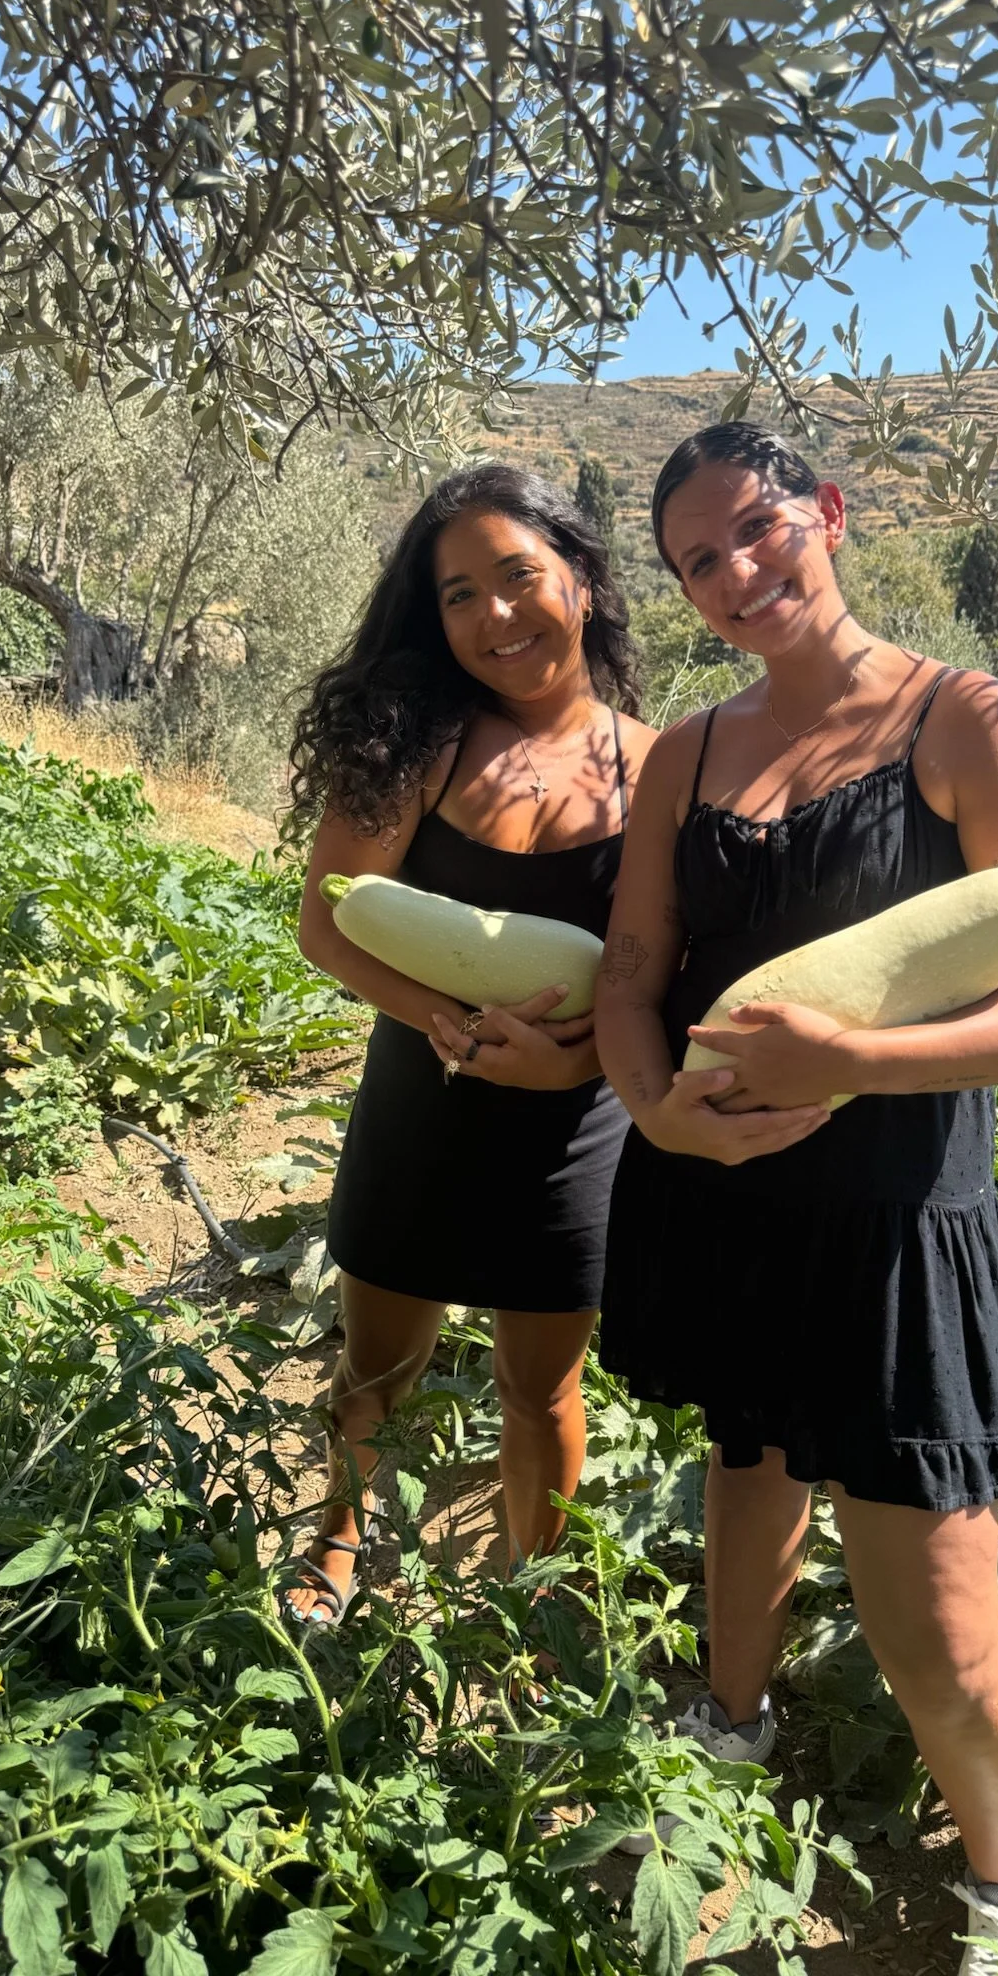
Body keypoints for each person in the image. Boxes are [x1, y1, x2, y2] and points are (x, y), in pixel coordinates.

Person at [594, 424, 998, 1971]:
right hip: (731, 1204)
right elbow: (630, 978)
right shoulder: (686, 752)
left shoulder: (967, 719)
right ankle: (727, 1736)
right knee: (746, 1485)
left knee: (939, 1625)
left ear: (826, 510)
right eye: (698, 560)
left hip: (902, 1223)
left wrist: (854, 1054)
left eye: (757, 529)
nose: (738, 572)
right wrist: (655, 1116)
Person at [286, 464, 655, 1624]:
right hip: (421, 1104)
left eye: (518, 576)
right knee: (376, 1370)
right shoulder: (419, 745)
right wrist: (431, 1016)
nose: (495, 615)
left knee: (540, 1389)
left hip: (575, 1133)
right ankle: (336, 1542)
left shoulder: (663, 768)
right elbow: (326, 923)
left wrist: (579, 1061)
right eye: (458, 595)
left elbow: (658, 977)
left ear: (581, 582)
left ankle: (527, 1590)